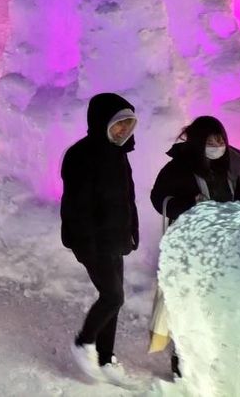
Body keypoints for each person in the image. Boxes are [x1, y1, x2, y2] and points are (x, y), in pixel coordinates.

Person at [150, 115, 240, 379]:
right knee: (189, 301)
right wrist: (189, 204)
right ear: (198, 143)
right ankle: (183, 361)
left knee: (223, 302)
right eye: (210, 141)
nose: (216, 145)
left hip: (228, 246)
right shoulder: (178, 168)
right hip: (193, 246)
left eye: (220, 140)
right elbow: (160, 199)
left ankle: (220, 356)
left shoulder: (236, 164)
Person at [60, 92, 140, 388]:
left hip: (115, 239)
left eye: (128, 124)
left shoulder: (119, 154)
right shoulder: (81, 155)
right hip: (92, 242)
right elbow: (75, 207)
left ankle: (106, 359)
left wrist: (132, 232)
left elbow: (127, 199)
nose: (123, 130)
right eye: (118, 124)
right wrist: (85, 245)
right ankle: (84, 343)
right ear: (100, 123)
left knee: (115, 299)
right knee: (113, 296)